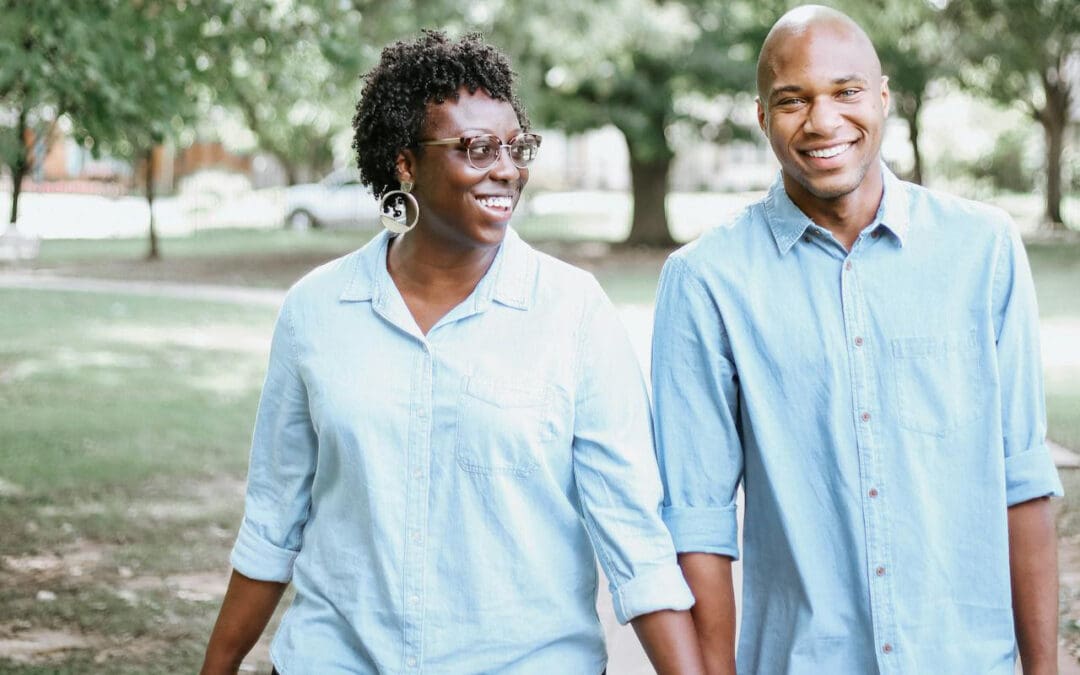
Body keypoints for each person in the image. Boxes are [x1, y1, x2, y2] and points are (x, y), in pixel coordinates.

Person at [201, 32, 705, 674]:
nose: (505, 168)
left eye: (515, 147)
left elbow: (634, 535)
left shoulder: (574, 312)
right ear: (405, 162)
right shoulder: (316, 312)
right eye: (476, 148)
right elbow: (275, 520)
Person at [651, 5, 1063, 674]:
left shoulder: (983, 250)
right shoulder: (705, 280)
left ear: (883, 98)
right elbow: (697, 518)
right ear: (762, 117)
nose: (822, 120)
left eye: (845, 92)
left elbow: (1022, 478)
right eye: (792, 99)